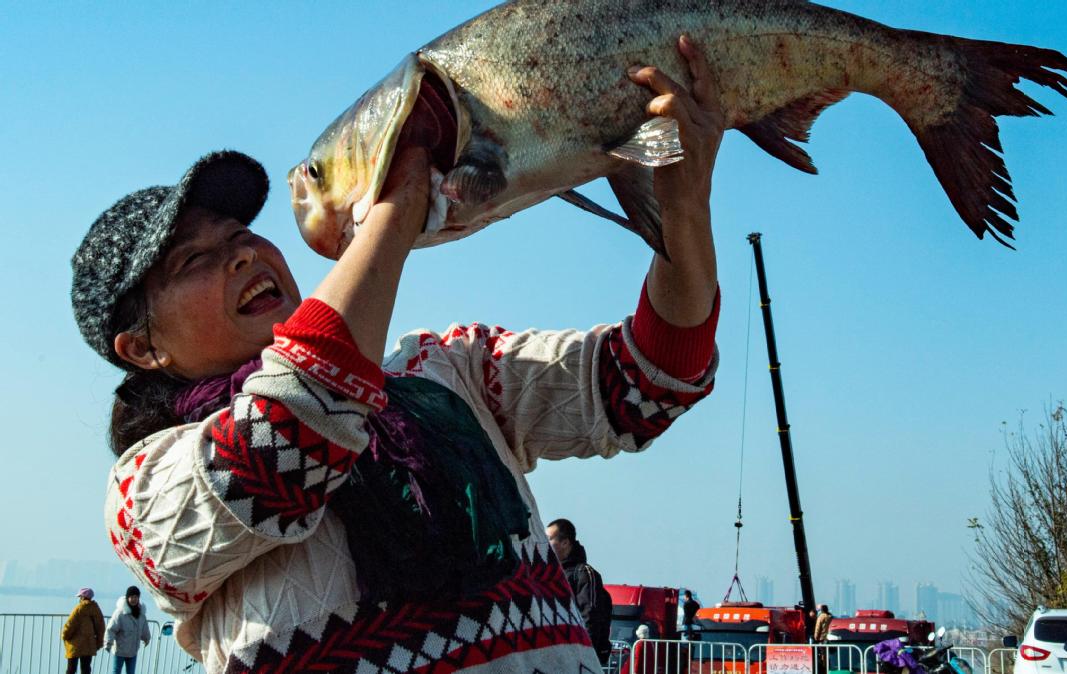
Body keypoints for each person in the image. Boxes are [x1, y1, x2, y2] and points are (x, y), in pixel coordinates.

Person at [75, 36, 723, 674]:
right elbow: (288, 436)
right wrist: (401, 201)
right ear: (143, 348)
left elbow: (646, 381)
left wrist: (684, 211)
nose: (244, 253)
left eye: (243, 234)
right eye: (194, 258)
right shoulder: (144, 488)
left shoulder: (444, 370)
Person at [546, 518, 614, 663]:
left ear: (565, 542)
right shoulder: (547, 574)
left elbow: (590, 617)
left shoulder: (585, 574)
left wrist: (581, 656)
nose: (544, 544)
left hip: (576, 658)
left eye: (549, 539)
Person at [105, 586, 151, 674]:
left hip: (133, 650)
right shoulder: (120, 613)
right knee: (116, 671)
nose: (134, 599)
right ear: (127, 598)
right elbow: (111, 629)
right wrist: (108, 643)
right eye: (132, 597)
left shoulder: (141, 614)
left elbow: (144, 627)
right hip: (120, 650)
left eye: (136, 597)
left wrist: (147, 638)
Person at [62, 587, 105, 674]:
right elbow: (101, 627)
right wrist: (99, 643)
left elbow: (70, 624)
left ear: (82, 597)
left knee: (71, 669)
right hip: (89, 644)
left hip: (75, 644)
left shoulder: (79, 609)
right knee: (86, 669)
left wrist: (64, 635)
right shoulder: (96, 609)